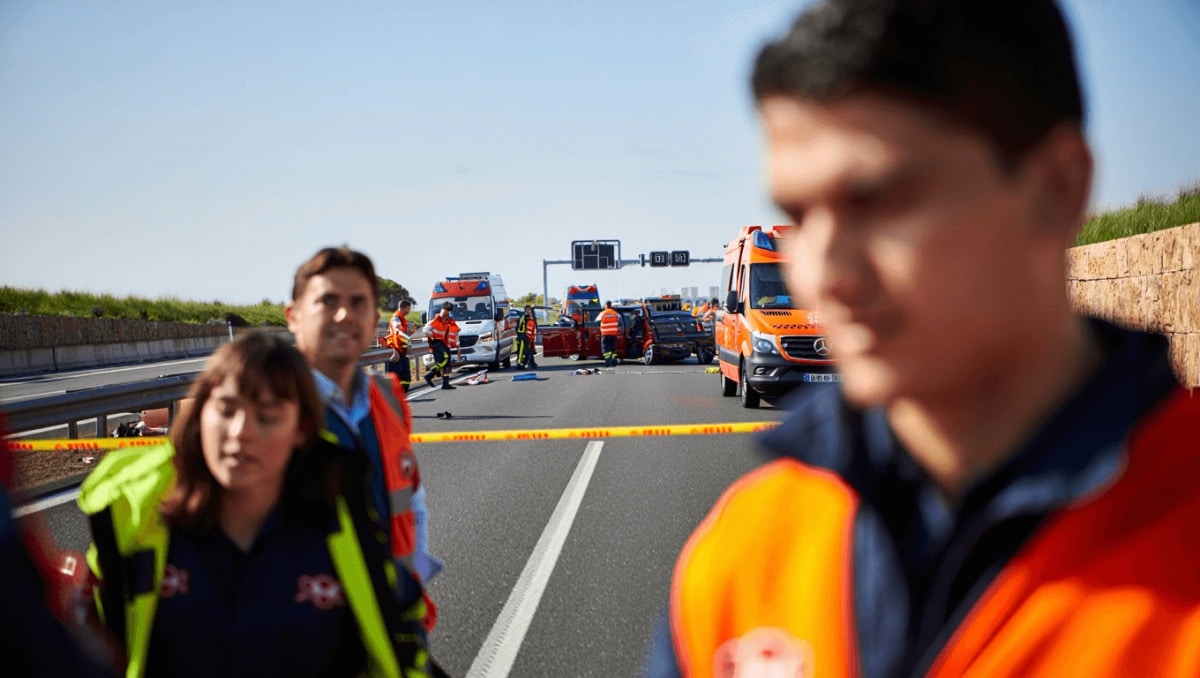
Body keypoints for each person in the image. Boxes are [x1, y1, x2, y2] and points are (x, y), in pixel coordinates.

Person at [649, 1, 1200, 676]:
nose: (825, 275)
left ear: (1056, 190)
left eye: (879, 202)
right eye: (798, 214)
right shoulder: (745, 555)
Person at [78, 332, 430, 677]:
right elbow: (85, 643)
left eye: (267, 416)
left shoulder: (344, 519)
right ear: (200, 416)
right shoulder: (135, 521)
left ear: (302, 429)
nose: (240, 431)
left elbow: (400, 636)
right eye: (227, 410)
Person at [286, 246, 440, 635]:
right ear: (294, 317)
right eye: (327, 301)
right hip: (302, 636)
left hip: (392, 622)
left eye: (359, 303)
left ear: (374, 319)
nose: (344, 315)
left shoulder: (387, 399)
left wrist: (411, 591)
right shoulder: (266, 408)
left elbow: (410, 505)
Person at [422, 302, 461, 390]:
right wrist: (433, 335)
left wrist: (458, 346)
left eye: (447, 314)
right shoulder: (436, 320)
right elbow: (425, 330)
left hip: (446, 344)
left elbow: (455, 334)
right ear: (442, 311)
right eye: (444, 314)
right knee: (444, 359)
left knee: (447, 363)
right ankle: (430, 375)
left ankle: (445, 383)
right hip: (437, 343)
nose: (445, 316)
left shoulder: (450, 322)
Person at [384, 299, 414, 392]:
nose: (409, 311)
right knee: (396, 374)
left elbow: (402, 333)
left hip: (402, 349)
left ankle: (402, 393)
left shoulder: (402, 319)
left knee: (405, 376)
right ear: (405, 307)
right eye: (409, 308)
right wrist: (408, 339)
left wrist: (410, 332)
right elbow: (397, 331)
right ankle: (393, 394)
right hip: (397, 348)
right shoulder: (396, 317)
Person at [515, 304, 539, 369]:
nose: (529, 311)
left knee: (528, 351)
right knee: (523, 352)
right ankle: (520, 364)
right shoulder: (525, 317)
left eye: (529, 309)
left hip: (526, 336)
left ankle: (531, 363)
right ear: (525, 310)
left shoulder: (526, 317)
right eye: (527, 309)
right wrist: (525, 336)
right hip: (523, 336)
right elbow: (523, 328)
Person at [598, 300, 620, 367]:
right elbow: (619, 321)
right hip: (613, 334)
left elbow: (596, 321)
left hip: (605, 334)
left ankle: (607, 362)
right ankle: (614, 362)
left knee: (606, 348)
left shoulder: (602, 313)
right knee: (613, 348)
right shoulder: (615, 313)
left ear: (606, 305)